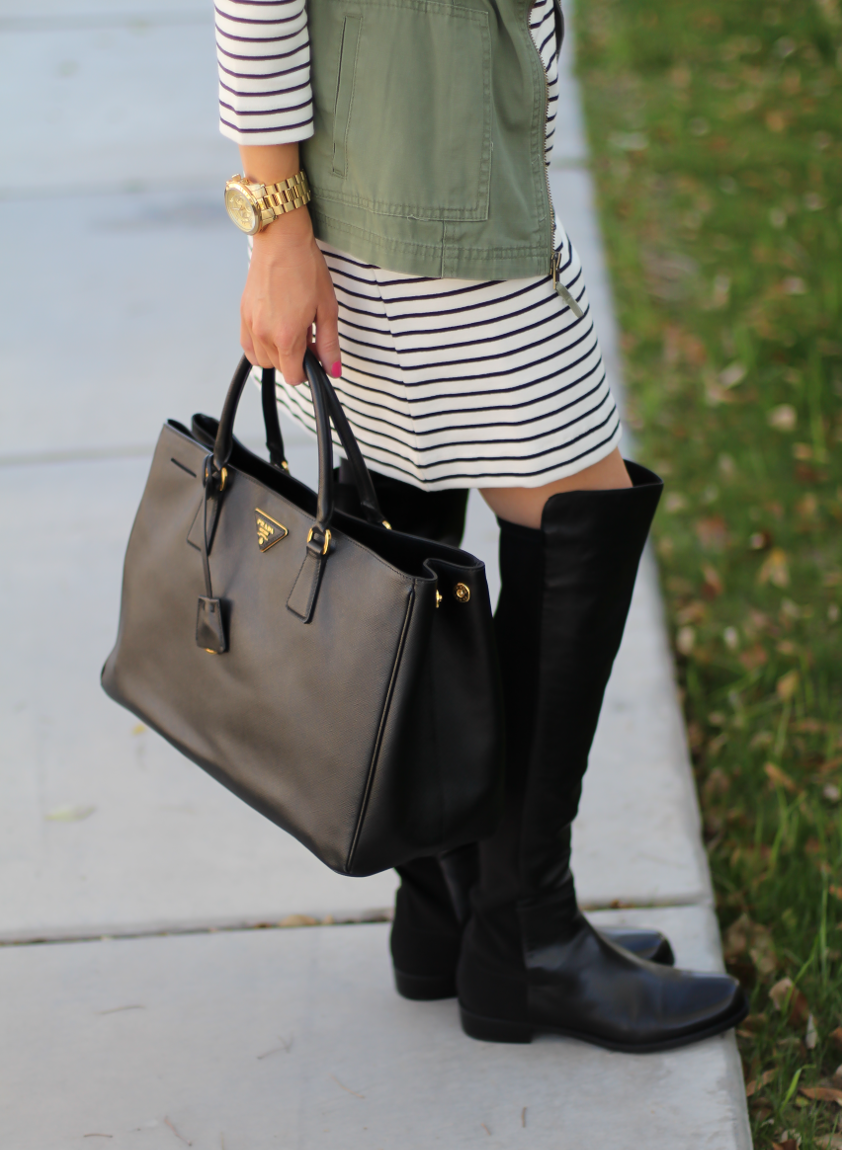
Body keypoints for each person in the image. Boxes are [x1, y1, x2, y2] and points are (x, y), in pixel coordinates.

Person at [214, 0, 747, 1050]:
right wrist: (273, 224)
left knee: (409, 504)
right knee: (572, 497)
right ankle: (522, 934)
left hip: (426, 151)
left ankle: (448, 904)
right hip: (418, 181)